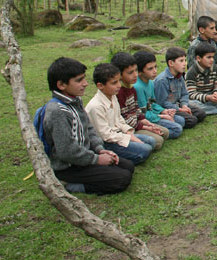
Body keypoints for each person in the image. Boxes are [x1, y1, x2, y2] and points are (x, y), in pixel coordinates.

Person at [43, 57, 134, 194]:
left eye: (84, 79)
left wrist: (99, 149)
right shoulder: (58, 112)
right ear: (62, 85)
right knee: (122, 178)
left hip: (85, 156)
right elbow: (66, 152)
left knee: (128, 166)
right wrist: (96, 159)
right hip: (69, 166)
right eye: (79, 80)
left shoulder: (75, 101)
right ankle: (69, 185)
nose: (85, 84)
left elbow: (88, 128)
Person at [86, 63, 154, 165]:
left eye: (119, 81)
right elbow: (105, 135)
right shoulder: (96, 106)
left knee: (151, 141)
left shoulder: (113, 96)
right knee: (146, 149)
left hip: (119, 135)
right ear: (100, 86)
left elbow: (119, 119)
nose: (119, 85)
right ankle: (118, 159)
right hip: (108, 143)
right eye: (114, 83)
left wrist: (128, 132)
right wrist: (129, 138)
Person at [111, 52, 168, 150]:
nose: (135, 75)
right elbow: (124, 119)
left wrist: (146, 121)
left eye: (136, 70)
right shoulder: (119, 93)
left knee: (165, 132)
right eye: (130, 72)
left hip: (137, 123)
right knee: (157, 141)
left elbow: (136, 109)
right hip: (128, 128)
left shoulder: (132, 88)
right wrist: (144, 127)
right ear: (119, 75)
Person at [133, 51, 184, 139]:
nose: (155, 71)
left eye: (155, 67)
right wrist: (162, 116)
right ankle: (152, 132)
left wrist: (164, 110)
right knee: (177, 129)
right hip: (147, 119)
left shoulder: (150, 82)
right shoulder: (138, 87)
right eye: (150, 69)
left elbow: (153, 104)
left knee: (181, 120)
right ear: (140, 72)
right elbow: (143, 113)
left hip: (154, 114)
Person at [154, 47, 207, 128]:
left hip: (179, 105)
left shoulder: (179, 76)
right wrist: (179, 109)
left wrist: (184, 105)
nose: (185, 63)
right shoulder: (162, 80)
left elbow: (184, 94)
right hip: (169, 109)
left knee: (201, 114)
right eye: (181, 61)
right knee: (192, 120)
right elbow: (162, 102)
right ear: (171, 63)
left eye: (185, 60)